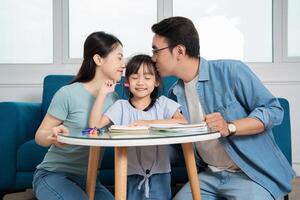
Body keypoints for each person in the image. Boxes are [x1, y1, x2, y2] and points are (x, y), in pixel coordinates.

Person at [150, 16, 296, 200]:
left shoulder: (231, 72)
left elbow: (274, 110)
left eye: (156, 51)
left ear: (179, 51)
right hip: (208, 177)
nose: (153, 58)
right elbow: (179, 150)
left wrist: (230, 127)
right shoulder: (173, 95)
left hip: (251, 176)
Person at [33, 31, 125, 200]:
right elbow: (40, 136)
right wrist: (52, 137)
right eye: (119, 58)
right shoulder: (68, 93)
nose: (123, 64)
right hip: (54, 175)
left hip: (89, 180)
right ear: (98, 60)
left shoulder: (113, 98)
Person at [89, 54, 187, 200]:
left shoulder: (163, 103)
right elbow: (94, 125)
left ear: (156, 82)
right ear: (127, 81)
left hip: (160, 174)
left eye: (147, 78)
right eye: (135, 77)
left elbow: (183, 122)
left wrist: (148, 123)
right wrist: (102, 94)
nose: (141, 82)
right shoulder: (120, 106)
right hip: (128, 174)